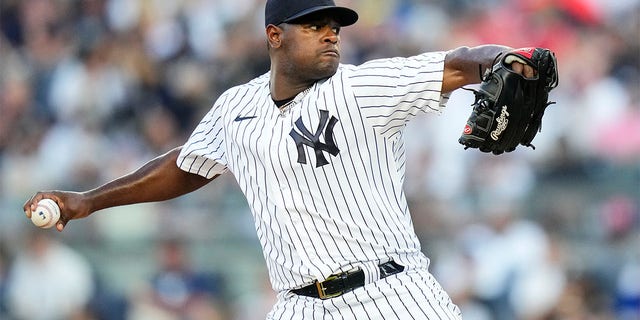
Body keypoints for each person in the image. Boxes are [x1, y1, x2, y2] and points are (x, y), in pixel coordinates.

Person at [24, 0, 539, 318]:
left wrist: (504, 59)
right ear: (276, 35)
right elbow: (185, 166)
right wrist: (87, 201)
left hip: (392, 294)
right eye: (314, 24)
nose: (331, 32)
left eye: (334, 24)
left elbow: (452, 65)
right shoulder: (236, 108)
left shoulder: (360, 87)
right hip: (297, 304)